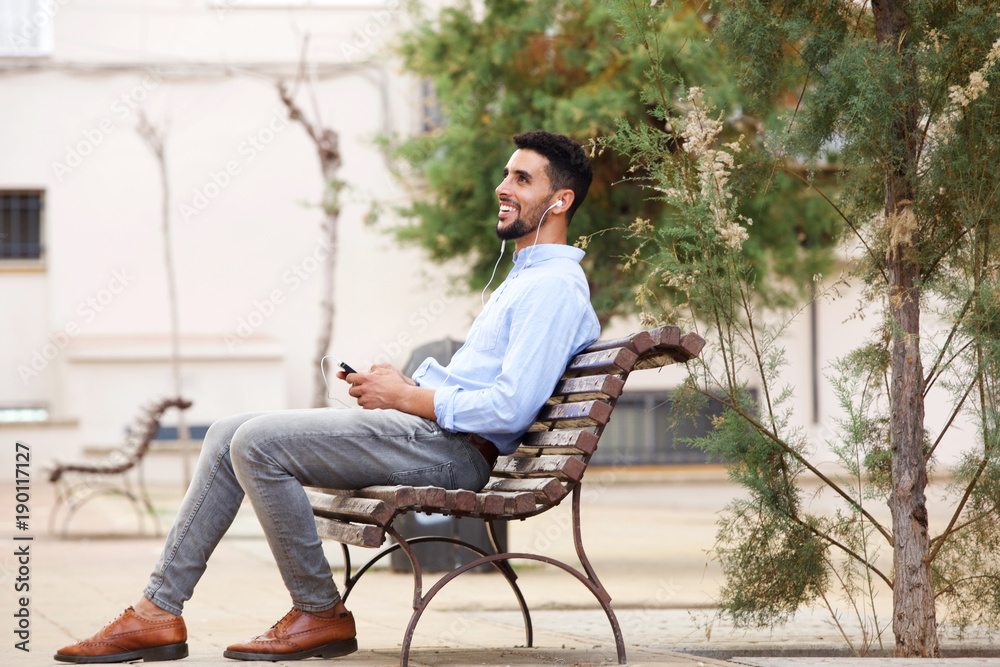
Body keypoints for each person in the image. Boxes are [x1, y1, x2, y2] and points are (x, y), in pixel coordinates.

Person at [54, 129, 601, 663]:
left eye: (522, 179)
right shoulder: (526, 279)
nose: (502, 187)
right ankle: (156, 612)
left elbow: (509, 408)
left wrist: (405, 399)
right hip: (435, 435)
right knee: (225, 434)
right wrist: (405, 388)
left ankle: (318, 611)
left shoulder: (551, 288)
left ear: (560, 201)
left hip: (452, 451)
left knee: (257, 444)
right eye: (506, 174)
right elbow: (487, 391)